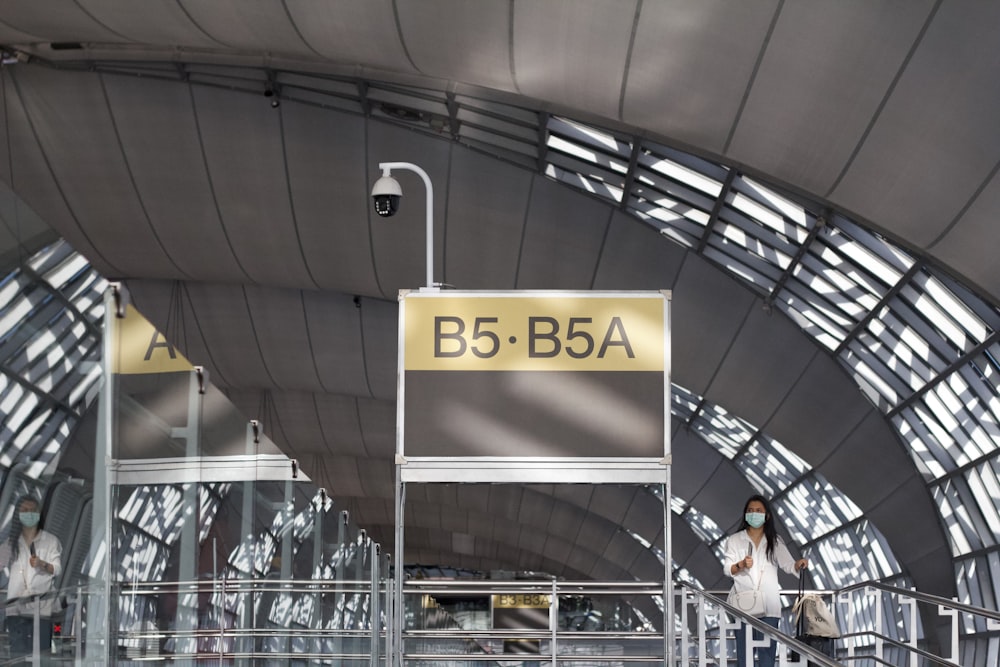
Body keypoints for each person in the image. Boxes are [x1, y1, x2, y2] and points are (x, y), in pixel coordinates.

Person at [723, 494, 807, 667]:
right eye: (750, 511)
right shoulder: (735, 540)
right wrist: (740, 565)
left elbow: (788, 564)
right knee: (744, 657)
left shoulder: (774, 541)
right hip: (743, 607)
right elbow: (727, 569)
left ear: (767, 515)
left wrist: (798, 565)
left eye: (759, 511)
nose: (754, 514)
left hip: (769, 607)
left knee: (767, 656)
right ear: (745, 514)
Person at [5, 494, 62, 658]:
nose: (29, 513)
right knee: (17, 656)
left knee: (40, 656)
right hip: (16, 608)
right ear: (18, 514)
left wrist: (42, 564)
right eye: (24, 510)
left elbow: (57, 569)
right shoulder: (11, 542)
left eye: (32, 510)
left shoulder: (50, 541)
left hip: (41, 610)